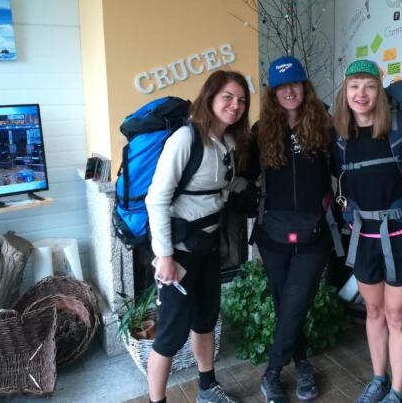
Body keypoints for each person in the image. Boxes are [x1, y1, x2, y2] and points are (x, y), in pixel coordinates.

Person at [332, 59, 402, 403]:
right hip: (364, 238)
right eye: (354, 86)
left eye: (369, 86)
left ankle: (397, 391)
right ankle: (378, 379)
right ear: (345, 93)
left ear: (380, 91)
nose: (361, 94)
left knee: (396, 314)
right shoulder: (341, 139)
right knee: (374, 311)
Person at [145, 70, 251, 403]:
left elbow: (219, 187)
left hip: (208, 249)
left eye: (241, 100)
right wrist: (164, 256)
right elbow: (156, 198)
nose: (235, 105)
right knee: (170, 334)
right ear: (210, 98)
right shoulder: (185, 139)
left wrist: (252, 187)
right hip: (179, 254)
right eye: (227, 97)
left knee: (205, 321)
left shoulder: (227, 142)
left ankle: (207, 387)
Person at [246, 56, 340, 403]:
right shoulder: (261, 131)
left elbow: (345, 168)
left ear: (305, 87)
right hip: (273, 234)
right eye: (281, 86)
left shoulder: (325, 127)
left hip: (315, 233)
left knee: (297, 300)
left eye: (294, 84)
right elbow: (244, 173)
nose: (289, 91)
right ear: (273, 92)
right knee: (286, 303)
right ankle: (301, 364)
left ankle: (272, 372)